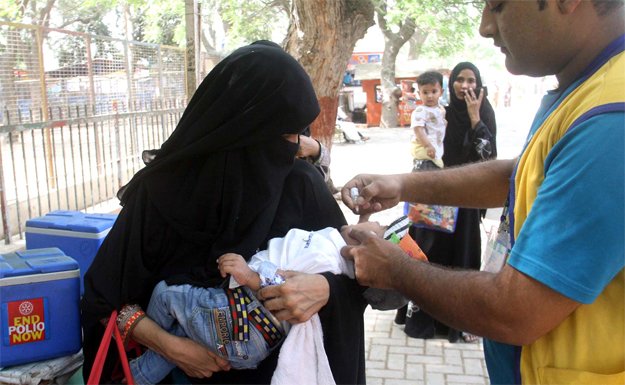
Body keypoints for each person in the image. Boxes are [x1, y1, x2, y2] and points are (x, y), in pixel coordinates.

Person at [340, 1, 624, 384]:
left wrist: (395, 268)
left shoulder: (610, 124)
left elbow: (515, 311)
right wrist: (402, 183)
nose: (485, 27)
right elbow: (519, 173)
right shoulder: (585, 89)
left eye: (499, 6)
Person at [81, 41, 368, 385]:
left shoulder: (300, 187)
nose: (296, 145)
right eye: (286, 133)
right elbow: (105, 298)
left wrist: (323, 289)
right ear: (243, 130)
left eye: (299, 133)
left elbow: (353, 276)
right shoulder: (160, 192)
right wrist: (173, 348)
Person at [130, 220, 413, 385]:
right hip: (249, 342)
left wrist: (249, 274)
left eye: (380, 227)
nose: (373, 222)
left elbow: (284, 287)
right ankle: (135, 375)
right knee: (181, 333)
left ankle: (145, 346)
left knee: (165, 294)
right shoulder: (339, 263)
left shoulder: (325, 260)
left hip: (241, 320)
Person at [398, 62, 497, 343]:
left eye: (471, 80)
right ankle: (421, 319)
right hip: (435, 194)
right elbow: (424, 145)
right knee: (427, 254)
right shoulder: (442, 112)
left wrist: (475, 118)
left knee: (460, 264)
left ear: (478, 84)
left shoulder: (485, 110)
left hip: (465, 199)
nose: (465, 85)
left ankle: (458, 322)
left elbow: (489, 158)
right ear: (450, 84)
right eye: (460, 80)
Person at [409, 70, 447, 170]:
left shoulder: (439, 109)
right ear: (419, 93)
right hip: (424, 151)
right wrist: (427, 145)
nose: (430, 96)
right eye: (425, 92)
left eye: (434, 91)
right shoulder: (420, 111)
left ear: (441, 92)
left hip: (435, 151)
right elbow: (418, 129)